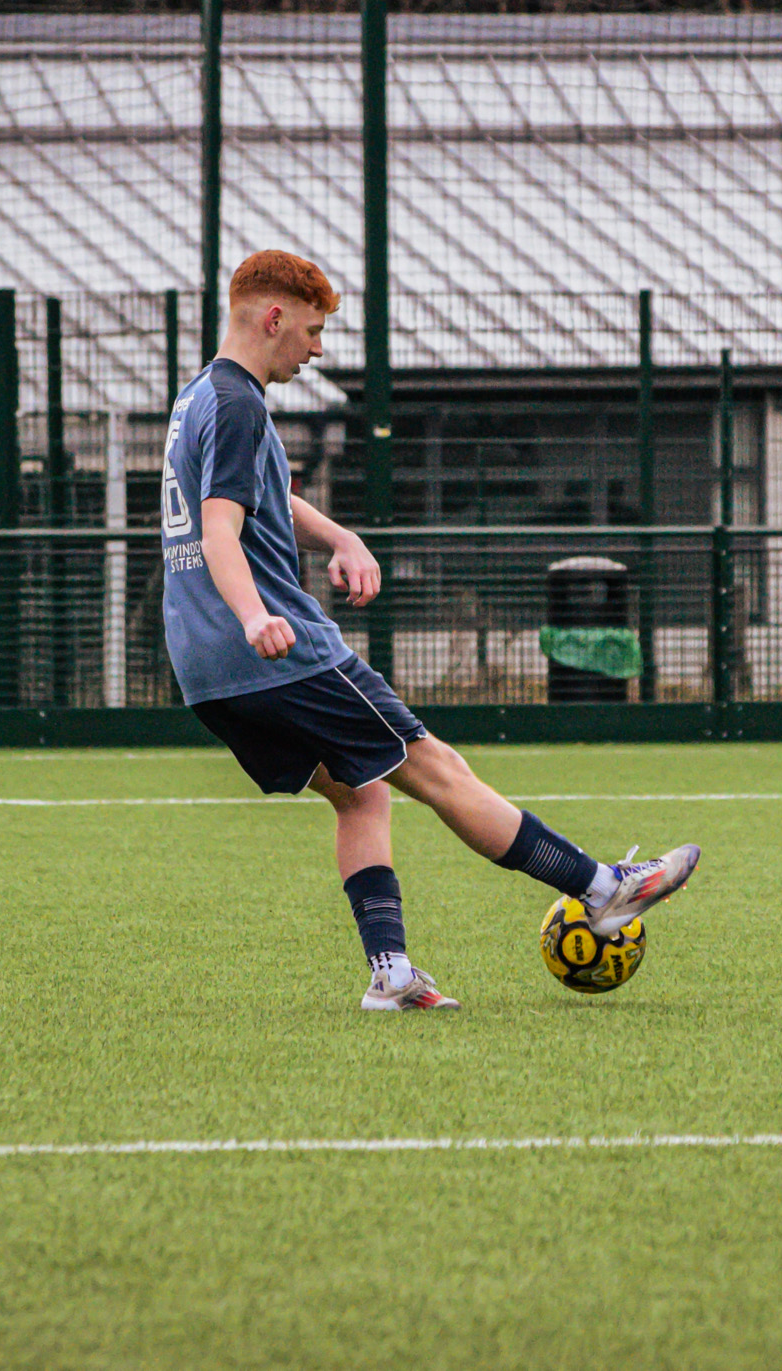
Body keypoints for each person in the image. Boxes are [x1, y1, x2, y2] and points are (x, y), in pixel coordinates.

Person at [162, 249, 701, 1009]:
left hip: (206, 668)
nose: (317, 349)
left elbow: (266, 502)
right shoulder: (241, 403)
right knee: (434, 766)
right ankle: (604, 887)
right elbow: (221, 529)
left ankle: (391, 974)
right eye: (312, 331)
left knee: (362, 795)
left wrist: (342, 538)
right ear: (273, 318)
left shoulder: (201, 399)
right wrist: (256, 614)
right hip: (278, 651)